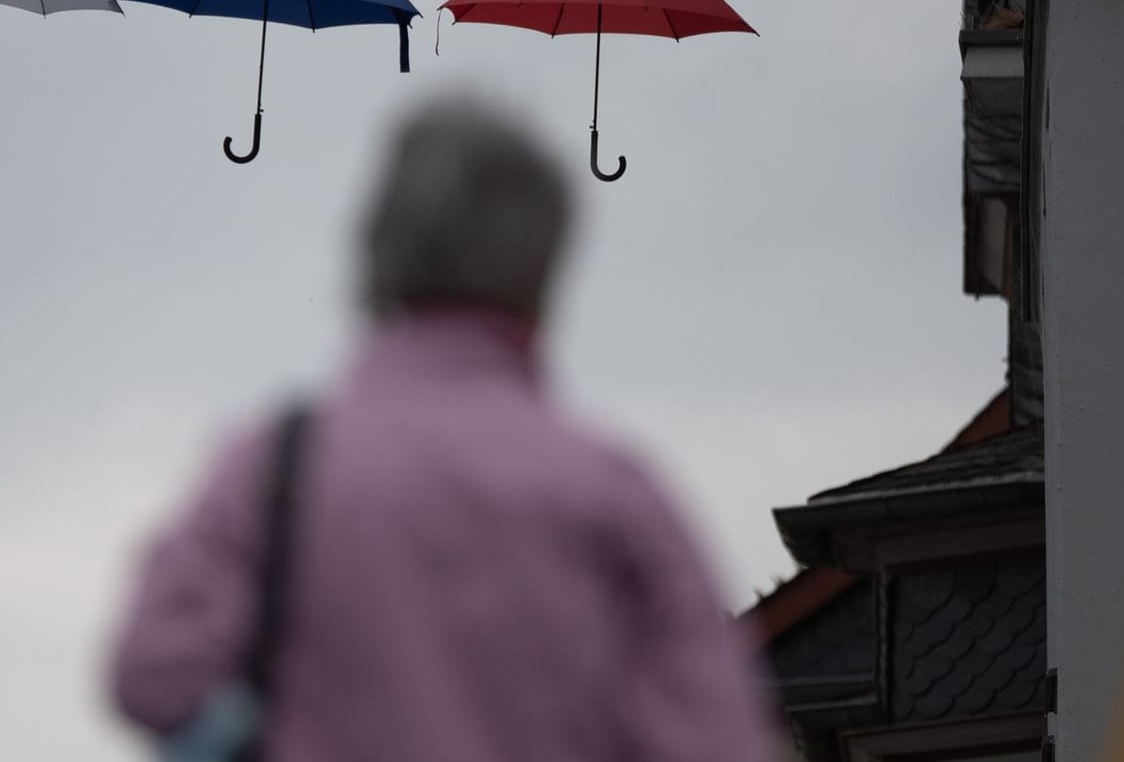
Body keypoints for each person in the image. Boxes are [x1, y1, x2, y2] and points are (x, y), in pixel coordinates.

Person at [105, 93, 777, 761]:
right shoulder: (615, 493)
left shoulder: (271, 468)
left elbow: (151, 677)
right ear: (545, 268)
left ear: (374, 246)